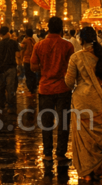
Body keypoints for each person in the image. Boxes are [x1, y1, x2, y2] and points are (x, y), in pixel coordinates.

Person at [65, 27, 102, 182]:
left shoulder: (76, 58)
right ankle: (96, 168)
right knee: (100, 136)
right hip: (101, 101)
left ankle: (86, 172)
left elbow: (69, 82)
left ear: (81, 40)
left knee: (84, 138)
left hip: (82, 101)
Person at [30, 16, 75, 162]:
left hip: (45, 88)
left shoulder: (39, 45)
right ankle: (61, 153)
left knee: (46, 122)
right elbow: (71, 68)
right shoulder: (68, 46)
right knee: (63, 122)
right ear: (62, 28)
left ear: (47, 28)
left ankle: (48, 153)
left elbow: (33, 67)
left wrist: (45, 67)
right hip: (63, 88)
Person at [0, 25, 20, 115]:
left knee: (0, 88)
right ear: (8, 33)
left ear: (0, 34)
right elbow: (18, 55)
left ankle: (0, 106)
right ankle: (11, 108)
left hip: (0, 68)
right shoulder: (14, 43)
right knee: (10, 88)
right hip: (11, 68)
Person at [20, 29, 37, 96]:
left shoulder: (25, 41)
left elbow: (21, 49)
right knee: (33, 74)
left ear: (26, 34)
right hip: (33, 60)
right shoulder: (34, 41)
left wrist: (21, 58)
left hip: (27, 60)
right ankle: (33, 88)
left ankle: (30, 89)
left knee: (28, 75)